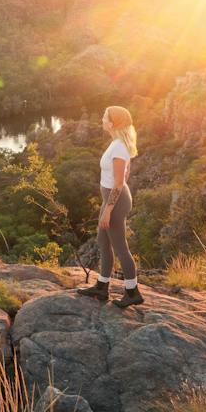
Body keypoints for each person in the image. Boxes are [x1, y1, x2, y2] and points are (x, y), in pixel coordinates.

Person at [77, 105, 142, 307]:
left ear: (113, 123)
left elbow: (119, 183)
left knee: (120, 247)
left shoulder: (120, 147)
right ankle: (102, 286)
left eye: (105, 117)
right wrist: (107, 204)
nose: (102, 120)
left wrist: (108, 209)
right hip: (111, 200)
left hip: (116, 202)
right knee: (103, 242)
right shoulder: (116, 143)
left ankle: (132, 292)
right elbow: (125, 173)